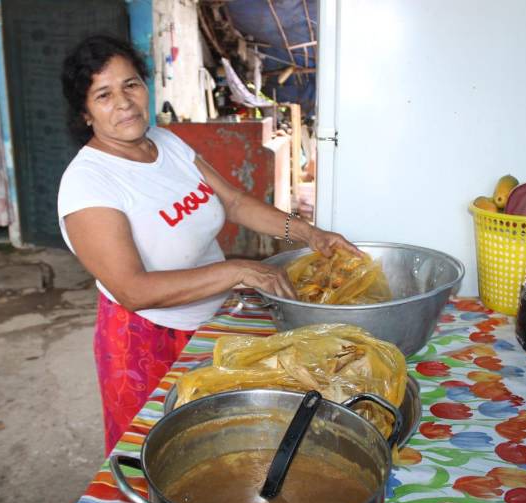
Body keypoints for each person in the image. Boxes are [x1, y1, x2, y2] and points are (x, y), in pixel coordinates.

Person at [58, 35, 358, 454]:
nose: (124, 102)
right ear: (85, 112)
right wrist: (237, 270)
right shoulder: (88, 183)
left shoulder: (166, 143)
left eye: (131, 84)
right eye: (103, 95)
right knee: (161, 452)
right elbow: (132, 289)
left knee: (221, 444)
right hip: (148, 340)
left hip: (215, 322)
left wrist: (310, 234)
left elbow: (232, 202)